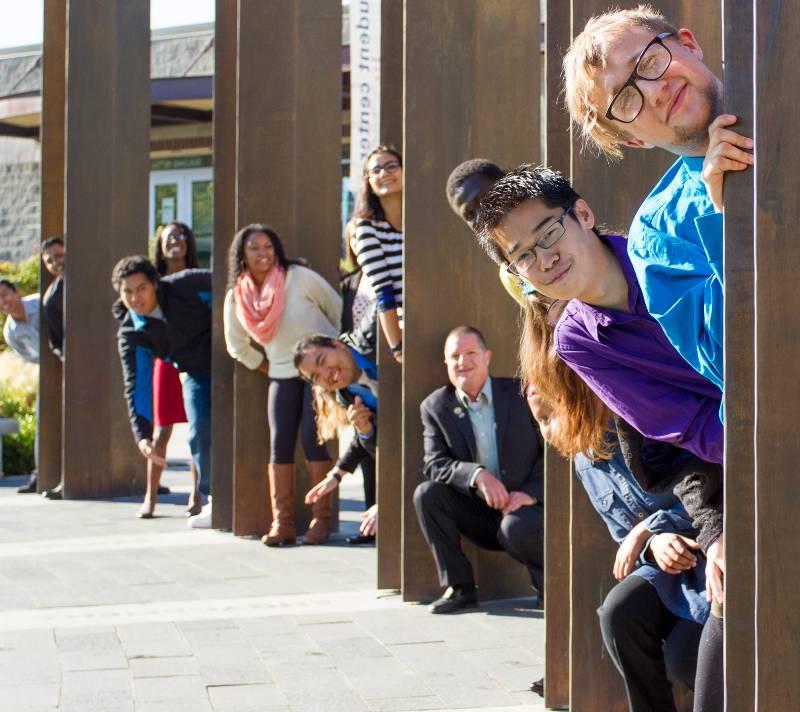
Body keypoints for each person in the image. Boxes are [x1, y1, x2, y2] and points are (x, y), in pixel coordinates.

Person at [475, 166, 724, 709]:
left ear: (582, 214)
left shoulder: (664, 247)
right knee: (704, 648)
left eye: (549, 233)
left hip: (756, 442)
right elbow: (678, 436)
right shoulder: (578, 343)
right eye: (522, 256)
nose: (543, 259)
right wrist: (719, 524)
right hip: (736, 475)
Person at [563, 5, 752, 398]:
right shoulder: (654, 236)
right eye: (627, 101)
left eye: (649, 60)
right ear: (635, 140)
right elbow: (731, 367)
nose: (654, 90)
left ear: (689, 44)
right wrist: (729, 217)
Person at [529, 391, 707, 712]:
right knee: (618, 613)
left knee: (685, 657)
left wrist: (651, 529)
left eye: (549, 416)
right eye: (539, 422)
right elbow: (624, 538)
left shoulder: (633, 426)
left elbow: (706, 486)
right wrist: (652, 544)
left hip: (708, 547)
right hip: (668, 566)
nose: (547, 431)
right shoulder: (584, 465)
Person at [223, 224, 342, 546]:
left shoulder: (299, 277)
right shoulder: (237, 296)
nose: (262, 253)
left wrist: (333, 357)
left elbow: (336, 307)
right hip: (280, 373)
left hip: (319, 373)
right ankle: (283, 524)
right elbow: (237, 346)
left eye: (267, 246)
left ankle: (322, 521)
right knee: (280, 444)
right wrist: (268, 366)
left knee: (313, 440)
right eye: (254, 248)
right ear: (242, 255)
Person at [415, 325, 544, 614]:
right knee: (427, 494)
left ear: (487, 357)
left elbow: (554, 451)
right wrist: (476, 475)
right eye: (455, 356)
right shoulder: (435, 407)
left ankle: (549, 590)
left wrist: (531, 494)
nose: (463, 362)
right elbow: (433, 463)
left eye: (471, 353)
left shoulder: (521, 394)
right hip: (479, 510)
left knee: (517, 527)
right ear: (446, 364)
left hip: (528, 508)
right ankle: (460, 589)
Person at [112, 256, 213, 528]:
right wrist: (142, 435)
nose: (136, 297)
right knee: (199, 429)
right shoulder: (132, 332)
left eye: (141, 288)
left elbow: (231, 290)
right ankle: (215, 499)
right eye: (128, 292)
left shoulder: (187, 285)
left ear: (155, 284)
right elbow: (136, 383)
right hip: (195, 372)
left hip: (232, 358)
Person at [294, 307, 378, 544]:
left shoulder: (374, 333)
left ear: (336, 344)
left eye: (323, 361)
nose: (328, 375)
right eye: (317, 376)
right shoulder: (347, 395)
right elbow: (383, 439)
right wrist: (366, 431)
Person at [136, 222, 202, 519]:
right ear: (160, 246)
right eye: (170, 237)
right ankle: (150, 495)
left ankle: (198, 493)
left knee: (198, 429)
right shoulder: (152, 283)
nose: (177, 240)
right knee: (162, 429)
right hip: (166, 363)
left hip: (196, 360)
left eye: (182, 236)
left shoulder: (200, 277)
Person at [445, 159, 529, 306]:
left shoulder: (558, 221)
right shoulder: (510, 274)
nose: (482, 216)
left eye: (487, 198)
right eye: (470, 215)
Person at [352, 145, 404, 362]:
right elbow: (384, 293)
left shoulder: (422, 219)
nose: (384, 173)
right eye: (376, 170)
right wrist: (398, 347)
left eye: (391, 166)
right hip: (407, 325)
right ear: (369, 181)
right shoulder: (366, 228)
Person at [0, 278, 40, 493]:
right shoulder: (10, 331)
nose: (3, 301)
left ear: (17, 292)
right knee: (43, 421)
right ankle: (41, 473)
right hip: (47, 373)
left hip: (73, 364)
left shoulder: (40, 303)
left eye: (5, 294)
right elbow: (28, 357)